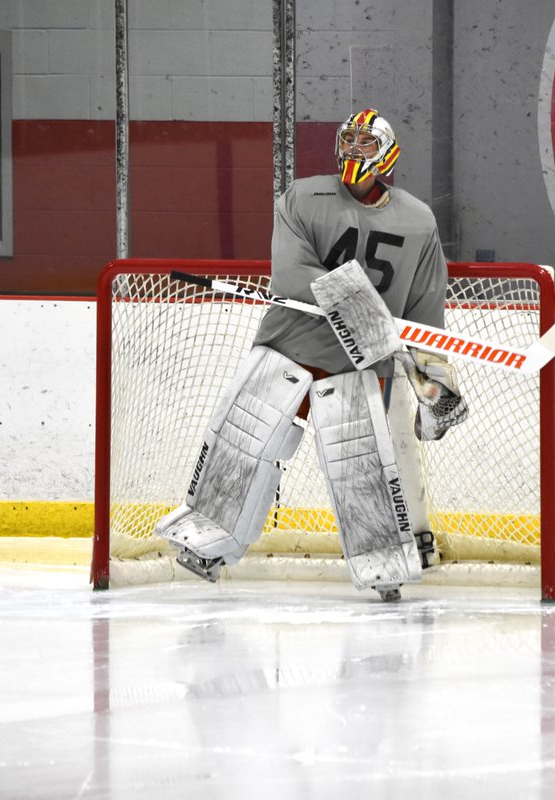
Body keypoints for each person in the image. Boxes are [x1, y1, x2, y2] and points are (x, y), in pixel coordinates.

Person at [155, 108, 466, 600]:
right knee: (241, 445)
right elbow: (294, 274)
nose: (353, 151)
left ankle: (384, 565)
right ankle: (208, 543)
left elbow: (426, 305)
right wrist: (369, 318)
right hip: (289, 347)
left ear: (388, 152)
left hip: (360, 367)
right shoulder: (302, 197)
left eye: (366, 143)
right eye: (348, 140)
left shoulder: (418, 220)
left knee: (362, 469)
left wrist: (432, 373)